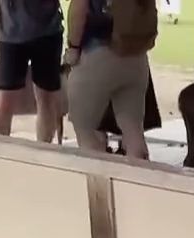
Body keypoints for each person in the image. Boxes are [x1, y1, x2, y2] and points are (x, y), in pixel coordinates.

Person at [64, 0, 158, 160]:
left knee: (86, 130)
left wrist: (73, 47)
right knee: (133, 129)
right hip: (136, 55)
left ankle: (99, 179)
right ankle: (139, 178)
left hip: (97, 56)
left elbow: (78, 10)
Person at [0, 0, 64, 142]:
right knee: (3, 101)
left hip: (48, 30)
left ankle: (43, 152)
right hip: (11, 32)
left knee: (46, 97)